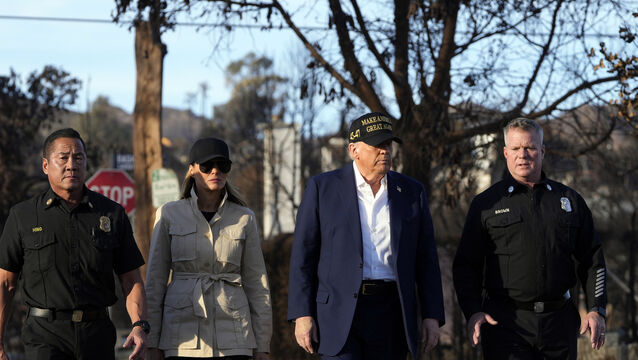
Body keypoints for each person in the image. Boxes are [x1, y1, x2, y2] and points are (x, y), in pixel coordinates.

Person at [288, 112, 445, 360]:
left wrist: (432, 316)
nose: (385, 151)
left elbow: (427, 259)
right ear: (354, 150)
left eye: (388, 145)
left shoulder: (412, 192)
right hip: (339, 315)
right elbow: (303, 257)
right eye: (378, 145)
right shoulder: (322, 188)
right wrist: (302, 314)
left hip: (392, 313)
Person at [453, 118, 608, 359]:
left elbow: (593, 260)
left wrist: (596, 309)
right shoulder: (486, 204)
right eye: (515, 148)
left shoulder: (569, 201)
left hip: (559, 325)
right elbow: (466, 266)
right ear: (505, 152)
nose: (522, 155)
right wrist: (473, 311)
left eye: (530, 148)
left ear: (542, 151)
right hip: (505, 325)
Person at [0, 128, 148, 360]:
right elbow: (5, 284)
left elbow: (131, 280)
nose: (72, 164)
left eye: (78, 157)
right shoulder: (23, 216)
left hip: (97, 335)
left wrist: (139, 325)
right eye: (64, 157)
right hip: (44, 337)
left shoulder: (112, 214)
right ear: (46, 165)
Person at [145, 137, 272, 360]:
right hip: (181, 339)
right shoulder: (168, 214)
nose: (215, 171)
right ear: (192, 169)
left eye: (223, 166)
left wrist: (262, 346)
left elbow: (257, 285)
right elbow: (155, 282)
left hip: (234, 338)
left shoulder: (244, 218)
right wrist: (152, 342)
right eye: (207, 166)